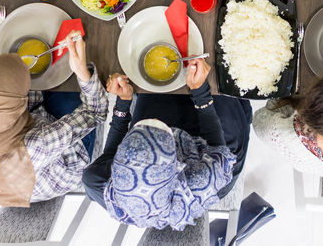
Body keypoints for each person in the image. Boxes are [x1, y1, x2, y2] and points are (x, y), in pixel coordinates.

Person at [0, 36, 107, 206]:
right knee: (69, 79)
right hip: (63, 160)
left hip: (19, 151)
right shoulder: (35, 146)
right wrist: (82, 71)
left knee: (39, 76)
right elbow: (95, 112)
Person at [82, 59, 250, 229]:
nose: (155, 119)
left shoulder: (96, 182)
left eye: (145, 125)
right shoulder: (207, 179)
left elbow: (110, 153)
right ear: (175, 164)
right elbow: (215, 142)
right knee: (220, 78)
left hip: (163, 148)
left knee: (154, 82)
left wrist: (124, 102)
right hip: (211, 149)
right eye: (158, 125)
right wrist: (200, 92)